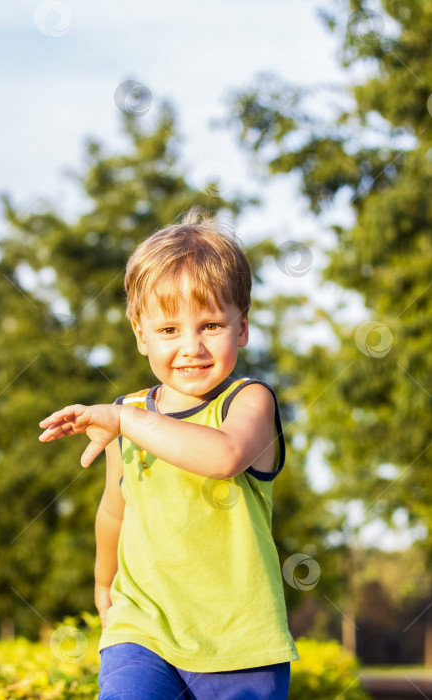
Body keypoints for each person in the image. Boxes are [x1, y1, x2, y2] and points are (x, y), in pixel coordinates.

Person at [39, 206, 299, 699]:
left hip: (240, 645)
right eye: (168, 330)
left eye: (211, 326)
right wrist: (103, 587)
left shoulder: (248, 401)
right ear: (140, 334)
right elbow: (114, 511)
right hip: (142, 631)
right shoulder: (130, 413)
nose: (191, 347)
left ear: (242, 328)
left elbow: (222, 456)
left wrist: (127, 422)